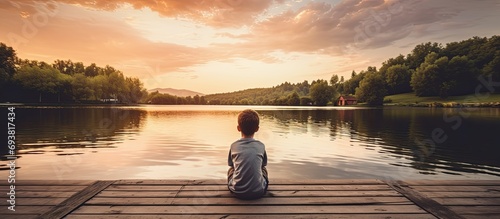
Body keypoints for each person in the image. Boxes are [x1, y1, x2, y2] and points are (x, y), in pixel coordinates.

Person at [227, 109, 269, 199]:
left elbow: (231, 165)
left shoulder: (233, 146)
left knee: (231, 170)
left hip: (237, 191)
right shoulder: (261, 146)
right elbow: (263, 164)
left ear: (238, 128)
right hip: (259, 192)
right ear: (257, 129)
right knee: (264, 170)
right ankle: (256, 184)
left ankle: (238, 184)